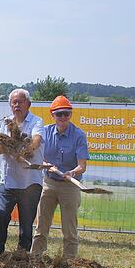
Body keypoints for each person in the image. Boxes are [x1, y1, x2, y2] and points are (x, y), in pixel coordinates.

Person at [31, 96, 89, 259]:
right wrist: (46, 164)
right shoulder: (45, 132)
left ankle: (69, 263)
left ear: (70, 115)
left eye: (66, 114)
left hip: (69, 186)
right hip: (48, 183)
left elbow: (82, 165)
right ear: (53, 115)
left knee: (69, 229)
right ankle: (35, 259)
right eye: (59, 114)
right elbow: (36, 157)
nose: (63, 117)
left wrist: (72, 172)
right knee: (41, 226)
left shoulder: (78, 135)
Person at [0, 88, 44, 255]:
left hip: (30, 183)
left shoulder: (36, 121)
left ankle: (22, 257)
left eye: (20, 102)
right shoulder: (6, 123)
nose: (17, 105)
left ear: (28, 104)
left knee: (26, 223)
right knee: (1, 218)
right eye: (14, 102)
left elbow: (36, 140)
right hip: (8, 181)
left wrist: (24, 151)